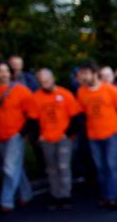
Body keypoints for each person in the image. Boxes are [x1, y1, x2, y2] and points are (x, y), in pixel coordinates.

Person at [0, 61, 37, 212]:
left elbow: (32, 113)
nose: (4, 74)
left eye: (6, 71)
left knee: (9, 167)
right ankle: (26, 194)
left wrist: (23, 132)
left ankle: (6, 200)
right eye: (0, 71)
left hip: (15, 134)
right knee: (13, 167)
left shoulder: (21, 90)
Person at [75, 62, 117, 209]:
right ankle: (105, 195)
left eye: (86, 73)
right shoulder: (81, 92)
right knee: (100, 166)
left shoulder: (110, 89)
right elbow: (82, 113)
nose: (83, 77)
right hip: (94, 135)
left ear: (94, 73)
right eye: (81, 74)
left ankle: (112, 196)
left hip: (111, 133)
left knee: (111, 164)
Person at [33, 68, 82, 209]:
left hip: (63, 137)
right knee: (52, 168)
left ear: (52, 79)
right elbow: (33, 119)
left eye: (47, 81)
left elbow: (75, 116)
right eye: (41, 82)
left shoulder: (65, 94)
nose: (45, 85)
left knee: (63, 166)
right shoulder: (36, 97)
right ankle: (55, 195)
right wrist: (39, 135)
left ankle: (66, 194)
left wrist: (68, 133)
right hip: (46, 138)